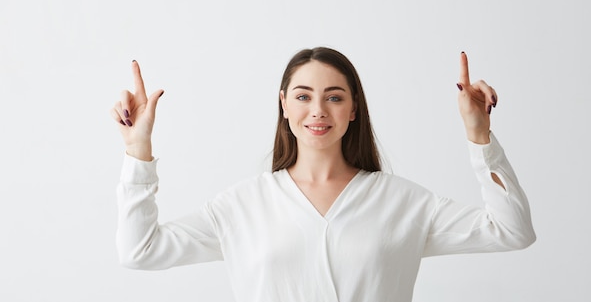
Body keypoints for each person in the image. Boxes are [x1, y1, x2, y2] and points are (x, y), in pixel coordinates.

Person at [111, 47, 535, 302]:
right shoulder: (242, 206)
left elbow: (512, 230)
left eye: (334, 97)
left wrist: (479, 135)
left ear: (353, 109)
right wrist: (137, 149)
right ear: (284, 104)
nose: (317, 111)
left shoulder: (403, 203)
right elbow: (140, 251)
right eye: (303, 96)